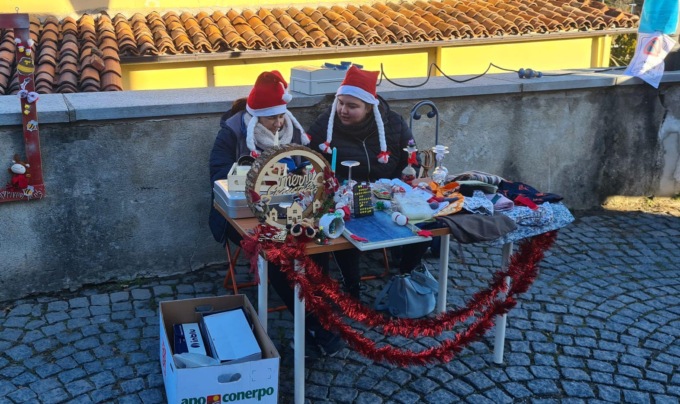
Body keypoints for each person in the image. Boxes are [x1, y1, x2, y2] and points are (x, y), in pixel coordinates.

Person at [208, 70, 342, 357]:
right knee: (279, 254)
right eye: (272, 118)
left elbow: (309, 166)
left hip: (290, 209)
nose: (279, 122)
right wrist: (262, 176)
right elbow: (218, 176)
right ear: (256, 117)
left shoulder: (292, 130)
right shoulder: (231, 133)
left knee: (317, 243)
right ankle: (315, 324)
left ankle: (319, 314)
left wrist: (307, 177)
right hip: (242, 215)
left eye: (282, 116)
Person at [308, 65, 431, 298]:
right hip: (343, 195)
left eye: (352, 106)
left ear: (369, 107)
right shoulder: (326, 124)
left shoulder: (393, 123)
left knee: (426, 222)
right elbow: (310, 160)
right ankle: (352, 286)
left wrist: (403, 178)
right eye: (340, 103)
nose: (343, 110)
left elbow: (411, 158)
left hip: (385, 192)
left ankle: (405, 274)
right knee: (344, 223)